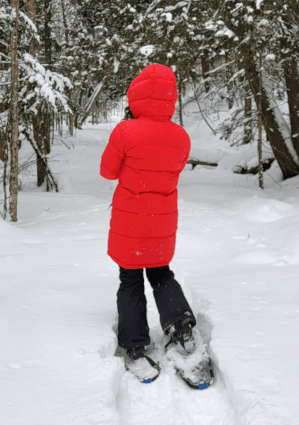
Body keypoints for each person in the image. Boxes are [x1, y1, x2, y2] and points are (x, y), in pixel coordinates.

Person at [100, 63, 197, 383]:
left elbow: (107, 171)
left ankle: (135, 343)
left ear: (136, 95)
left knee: (130, 280)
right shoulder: (181, 137)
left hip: (130, 220)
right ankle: (181, 328)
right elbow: (173, 170)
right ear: (171, 98)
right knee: (161, 274)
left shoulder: (125, 132)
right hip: (162, 221)